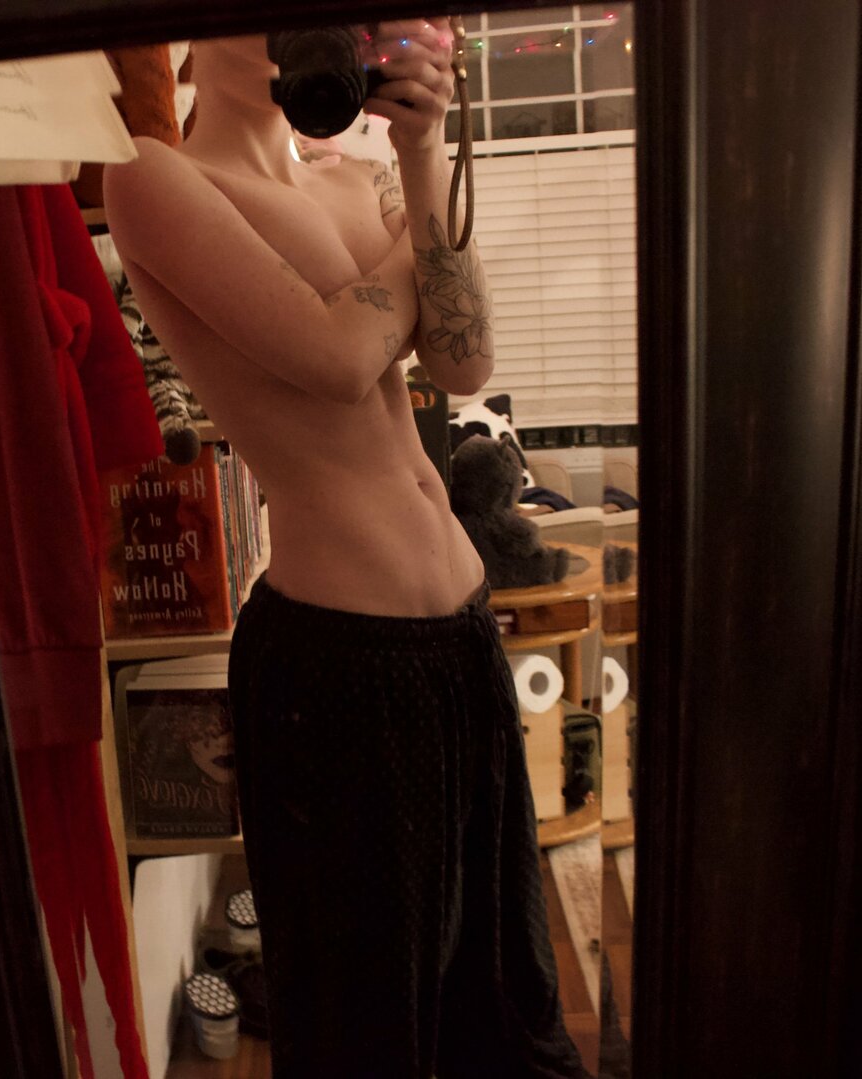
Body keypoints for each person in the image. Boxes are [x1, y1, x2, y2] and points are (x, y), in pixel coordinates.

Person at [104, 20, 588, 1078]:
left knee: (502, 990)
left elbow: (462, 358)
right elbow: (333, 353)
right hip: (338, 664)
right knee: (369, 1024)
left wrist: (422, 152)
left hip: (461, 639)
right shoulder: (155, 175)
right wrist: (405, 245)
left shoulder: (358, 178)